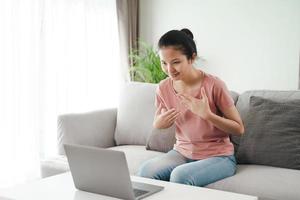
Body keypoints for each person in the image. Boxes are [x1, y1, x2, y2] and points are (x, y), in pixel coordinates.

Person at [137, 28, 245, 187]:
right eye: (164, 63)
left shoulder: (214, 85)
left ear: (192, 58)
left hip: (219, 157)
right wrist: (160, 123)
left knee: (180, 176)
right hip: (182, 152)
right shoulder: (163, 88)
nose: (169, 69)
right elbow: (157, 123)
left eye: (176, 62)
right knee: (146, 171)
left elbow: (239, 129)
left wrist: (208, 115)